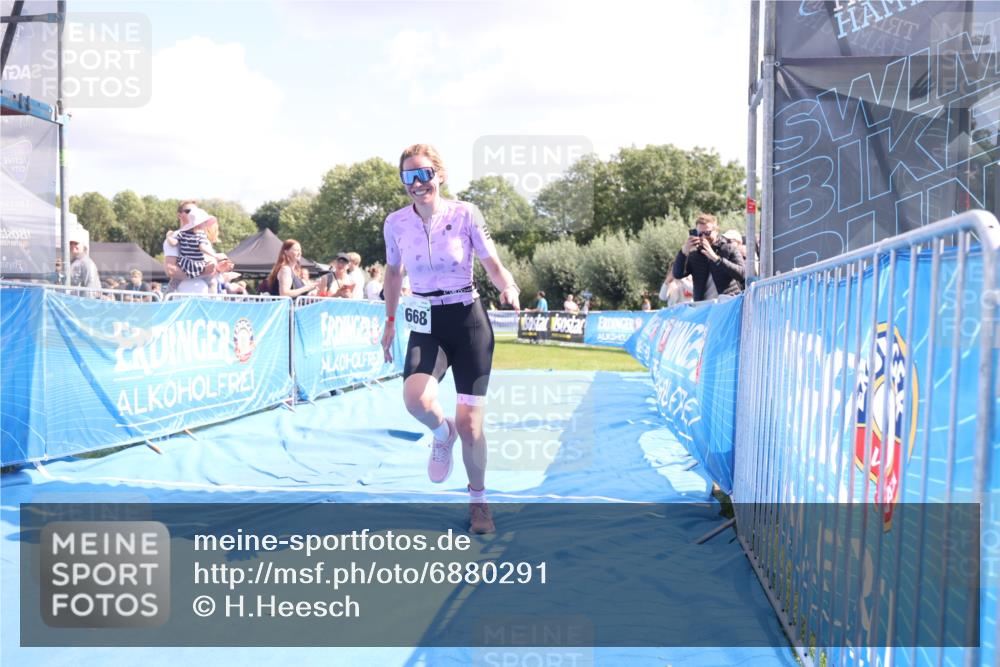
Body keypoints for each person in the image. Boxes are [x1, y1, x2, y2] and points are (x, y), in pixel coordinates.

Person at [380, 143, 521, 535]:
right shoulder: (395, 223)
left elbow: (492, 262)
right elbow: (393, 275)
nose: (417, 182)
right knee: (416, 400)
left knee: (472, 425)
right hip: (426, 320)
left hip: (467, 320)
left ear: (439, 175)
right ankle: (443, 436)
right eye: (408, 176)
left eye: (424, 173)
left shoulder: (465, 213)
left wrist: (507, 287)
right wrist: (390, 321)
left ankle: (478, 503)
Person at [164, 200, 234, 295]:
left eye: (196, 211)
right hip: (186, 300)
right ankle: (163, 303)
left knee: (213, 283)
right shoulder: (176, 235)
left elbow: (209, 268)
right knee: (171, 287)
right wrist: (203, 272)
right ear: (179, 215)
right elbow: (171, 270)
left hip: (204, 300)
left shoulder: (203, 236)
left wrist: (219, 268)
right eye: (188, 211)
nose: (193, 213)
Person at [672, 213, 745, 302]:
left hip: (728, 304)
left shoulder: (728, 248)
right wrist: (683, 252)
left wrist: (716, 259)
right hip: (703, 307)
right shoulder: (694, 254)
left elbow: (742, 274)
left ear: (716, 231)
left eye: (707, 233)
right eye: (700, 233)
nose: (703, 237)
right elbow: (677, 274)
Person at [166, 207, 227, 279]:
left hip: (184, 264)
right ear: (199, 224)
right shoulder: (201, 235)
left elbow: (173, 243)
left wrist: (168, 237)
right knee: (211, 281)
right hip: (197, 265)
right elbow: (202, 247)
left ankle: (170, 290)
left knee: (174, 283)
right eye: (204, 223)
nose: (206, 224)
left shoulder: (182, 233)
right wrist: (214, 255)